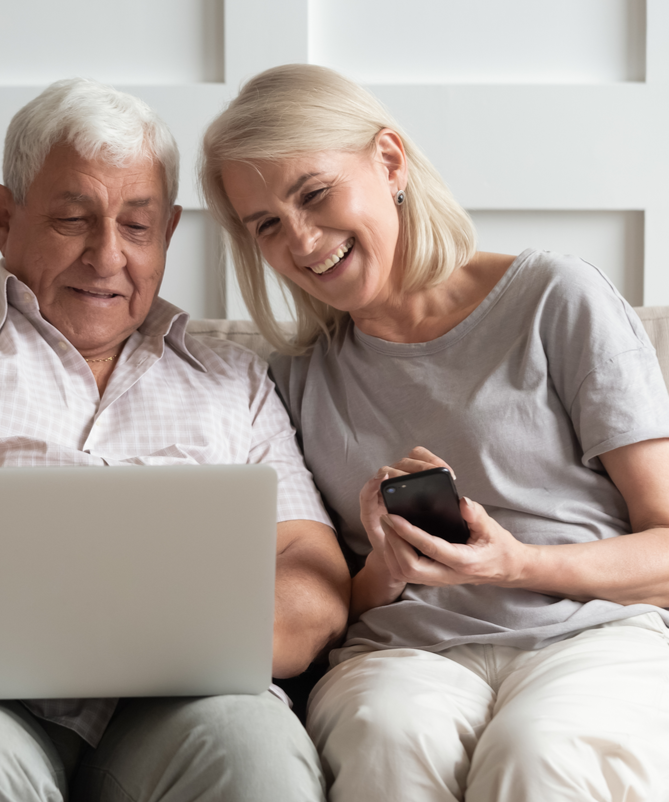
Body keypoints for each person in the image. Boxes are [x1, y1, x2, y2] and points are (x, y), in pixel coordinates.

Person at [0, 77, 351, 802]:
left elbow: (311, 578)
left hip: (176, 699)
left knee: (256, 750)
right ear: (3, 219)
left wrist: (170, 637)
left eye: (137, 226)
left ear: (167, 232)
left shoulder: (234, 379)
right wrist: (166, 592)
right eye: (73, 219)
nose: (107, 257)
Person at [200, 63, 669, 802]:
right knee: (386, 736)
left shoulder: (554, 298)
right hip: (404, 654)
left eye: (314, 193)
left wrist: (514, 565)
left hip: (588, 638)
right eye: (267, 225)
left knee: (540, 750)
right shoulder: (293, 381)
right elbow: (327, 605)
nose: (302, 239)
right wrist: (384, 567)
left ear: (389, 161)